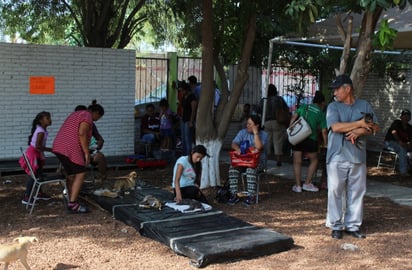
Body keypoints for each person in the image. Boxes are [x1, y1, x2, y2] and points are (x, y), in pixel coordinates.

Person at [326, 74, 380, 239]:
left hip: (358, 156)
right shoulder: (333, 107)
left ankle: (353, 225)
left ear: (347, 89)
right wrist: (360, 123)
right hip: (337, 155)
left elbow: (375, 126)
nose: (334, 93)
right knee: (335, 191)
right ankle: (336, 225)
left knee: (357, 192)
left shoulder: (364, 105)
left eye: (337, 89)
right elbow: (335, 127)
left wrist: (360, 130)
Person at [53, 102, 105, 213]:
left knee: (72, 175)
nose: (96, 120)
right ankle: (73, 204)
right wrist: (86, 152)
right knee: (81, 173)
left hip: (59, 146)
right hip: (70, 148)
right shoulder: (87, 115)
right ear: (95, 112)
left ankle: (70, 197)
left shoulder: (76, 114)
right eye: (98, 117)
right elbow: (82, 133)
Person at [290, 91, 328, 193]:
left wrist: (290, 129)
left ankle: (298, 186)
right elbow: (324, 131)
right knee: (314, 160)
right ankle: (307, 183)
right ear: (322, 102)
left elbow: (294, 117)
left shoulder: (304, 107)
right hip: (311, 139)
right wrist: (325, 143)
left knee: (297, 162)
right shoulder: (320, 113)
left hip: (298, 138)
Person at [227, 115, 268, 206]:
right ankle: (234, 195)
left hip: (258, 163)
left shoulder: (264, 134)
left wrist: (255, 133)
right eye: (247, 124)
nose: (247, 126)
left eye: (250, 124)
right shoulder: (242, 132)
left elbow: (259, 147)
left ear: (256, 125)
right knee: (233, 168)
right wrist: (239, 150)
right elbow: (234, 143)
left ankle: (251, 196)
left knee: (250, 169)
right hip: (243, 162)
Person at [19, 111, 53, 205]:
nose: (50, 120)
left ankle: (39, 193)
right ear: (41, 120)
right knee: (33, 176)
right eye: (47, 118)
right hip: (34, 154)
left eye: (50, 118)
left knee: (38, 174)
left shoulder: (42, 130)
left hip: (37, 153)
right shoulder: (41, 131)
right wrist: (51, 150)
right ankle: (27, 197)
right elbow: (38, 146)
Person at [75, 104, 107, 181]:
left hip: (89, 152)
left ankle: (103, 177)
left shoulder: (91, 124)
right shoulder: (73, 125)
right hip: (75, 153)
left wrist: (100, 142)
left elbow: (99, 138)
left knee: (100, 157)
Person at [261, 84, 290, 166]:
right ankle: (278, 160)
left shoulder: (263, 100)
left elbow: (259, 110)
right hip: (278, 122)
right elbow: (286, 109)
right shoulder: (279, 99)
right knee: (278, 141)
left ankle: (265, 159)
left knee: (267, 141)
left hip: (266, 123)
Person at [383, 109, 412, 176]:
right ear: (401, 117)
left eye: (408, 116)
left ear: (410, 118)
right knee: (402, 149)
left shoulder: (410, 128)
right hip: (389, 143)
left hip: (402, 144)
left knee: (405, 148)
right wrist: (400, 141)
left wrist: (410, 145)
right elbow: (394, 132)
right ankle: (403, 172)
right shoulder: (396, 123)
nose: (406, 118)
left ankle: (410, 168)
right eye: (404, 116)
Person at [181, 81, 197, 155]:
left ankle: (188, 155)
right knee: (183, 138)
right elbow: (182, 108)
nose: (182, 92)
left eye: (183, 90)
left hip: (188, 120)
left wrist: (191, 121)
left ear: (187, 90)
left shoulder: (192, 97)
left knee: (188, 139)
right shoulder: (184, 97)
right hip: (184, 119)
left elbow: (193, 110)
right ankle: (184, 155)